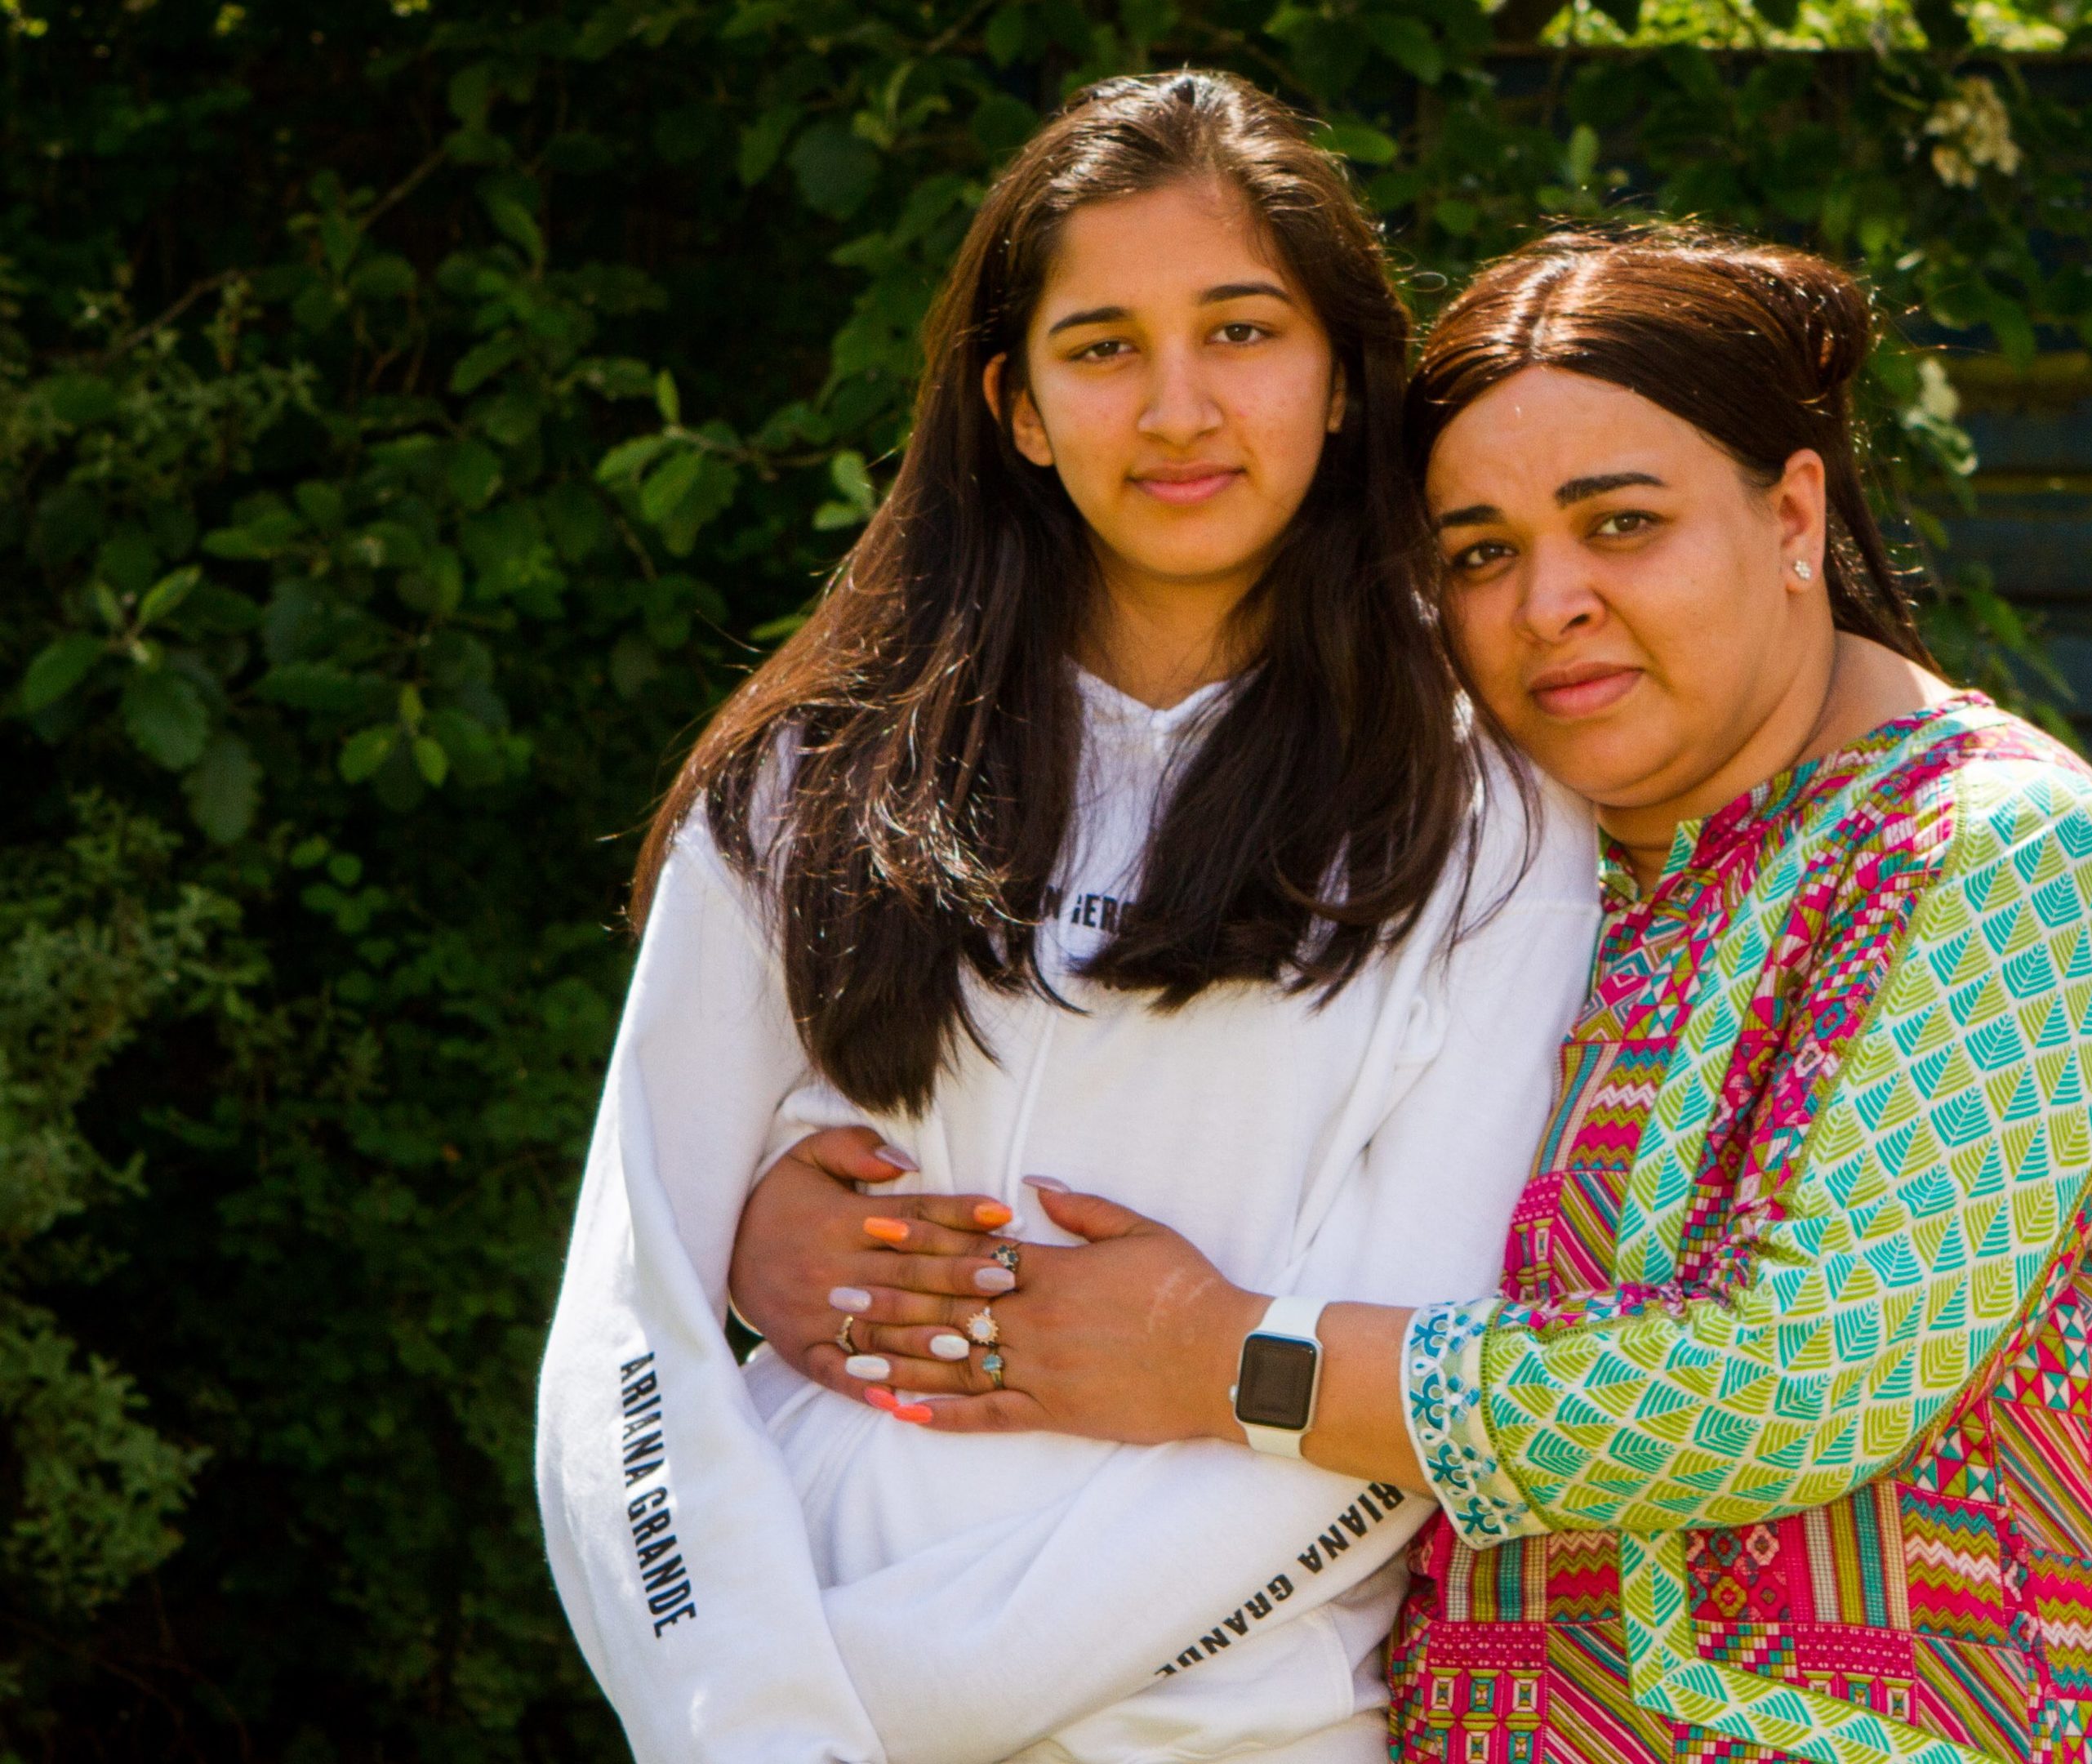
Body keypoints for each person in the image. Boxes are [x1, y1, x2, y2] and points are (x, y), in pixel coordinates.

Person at [752, 227, 2092, 1764]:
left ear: (1791, 513)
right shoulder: (1487, 862)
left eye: (1622, 524)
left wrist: (1228, 1357)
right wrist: (790, 1227)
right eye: (1478, 552)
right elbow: (1170, 1140)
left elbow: (1795, 1381)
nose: (1550, 603)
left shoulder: (1999, 861)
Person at [532, 72, 1601, 1764]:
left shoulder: (1488, 823)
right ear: (1015, 406)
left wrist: (855, 1717)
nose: (1177, 407)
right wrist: (743, 1711)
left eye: (1241, 331)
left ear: (1339, 381)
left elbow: (1406, 1382)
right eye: (1102, 347)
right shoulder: (814, 774)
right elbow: (631, 1313)